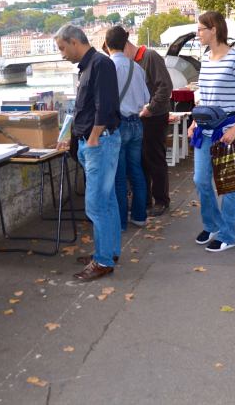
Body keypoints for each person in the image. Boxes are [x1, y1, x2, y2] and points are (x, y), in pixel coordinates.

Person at [54, 24, 121, 281]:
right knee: (107, 201)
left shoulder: (100, 65)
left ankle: (103, 261)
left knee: (96, 205)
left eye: (62, 48)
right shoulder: (88, 66)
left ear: (73, 42)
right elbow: (84, 108)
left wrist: (92, 138)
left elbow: (105, 107)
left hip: (99, 143)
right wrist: (73, 138)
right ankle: (108, 251)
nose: (62, 54)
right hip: (93, 143)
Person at [187, 11, 235, 252]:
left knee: (229, 184)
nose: (198, 34)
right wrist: (195, 121)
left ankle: (227, 234)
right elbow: (203, 95)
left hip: (228, 129)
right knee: (200, 180)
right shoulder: (205, 58)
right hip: (204, 129)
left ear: (214, 29)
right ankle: (213, 224)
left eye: (200, 30)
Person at [120, 36, 173, 216]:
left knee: (155, 159)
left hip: (154, 117)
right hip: (140, 117)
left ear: (126, 46)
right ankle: (145, 200)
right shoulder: (132, 62)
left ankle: (161, 200)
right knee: (141, 161)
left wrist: (151, 107)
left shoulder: (150, 57)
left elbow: (165, 86)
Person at [105, 26, 151, 230]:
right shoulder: (137, 68)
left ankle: (121, 221)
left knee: (119, 176)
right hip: (136, 123)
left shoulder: (108, 67)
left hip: (119, 124)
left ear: (106, 44)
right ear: (125, 42)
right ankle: (140, 216)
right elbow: (145, 100)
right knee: (137, 171)